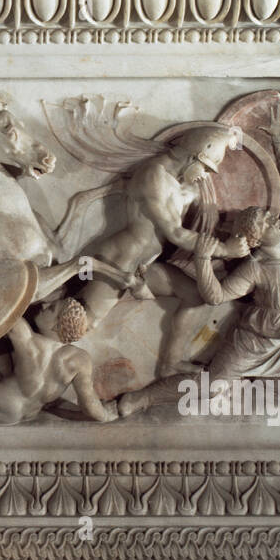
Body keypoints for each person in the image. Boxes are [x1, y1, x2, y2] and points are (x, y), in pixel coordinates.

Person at [122, 104, 280, 419]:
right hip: (254, 343)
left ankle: (248, 390)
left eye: (270, 217)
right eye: (266, 220)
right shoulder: (256, 268)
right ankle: (140, 399)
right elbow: (215, 296)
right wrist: (204, 258)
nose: (276, 220)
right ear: (256, 240)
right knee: (208, 387)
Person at [78, 124, 250, 378]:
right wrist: (225, 249)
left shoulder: (180, 181)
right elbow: (176, 234)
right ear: (194, 156)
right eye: (205, 167)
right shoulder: (153, 175)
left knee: (194, 295)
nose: (205, 175)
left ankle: (171, 362)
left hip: (143, 265)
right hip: (119, 260)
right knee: (81, 323)